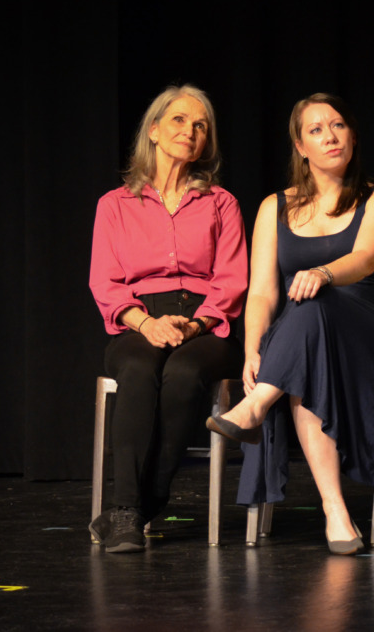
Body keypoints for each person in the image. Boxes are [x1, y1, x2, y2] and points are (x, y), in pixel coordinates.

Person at [206, 93, 374, 556]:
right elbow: (261, 292)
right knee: (304, 327)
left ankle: (254, 407)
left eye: (337, 125)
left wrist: (324, 273)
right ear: (300, 146)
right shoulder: (274, 207)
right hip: (302, 332)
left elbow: (367, 257)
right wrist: (254, 349)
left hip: (363, 328)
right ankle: (335, 510)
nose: (330, 136)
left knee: (313, 306)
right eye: (316, 130)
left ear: (352, 135)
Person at [88, 84, 247, 553]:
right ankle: (126, 510)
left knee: (182, 375)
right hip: (139, 320)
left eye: (201, 125)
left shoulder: (222, 203)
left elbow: (233, 277)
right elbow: (105, 282)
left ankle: (140, 505)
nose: (190, 131)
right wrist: (146, 322)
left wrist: (196, 324)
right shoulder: (114, 205)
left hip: (204, 323)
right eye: (179, 120)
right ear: (154, 131)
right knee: (138, 370)